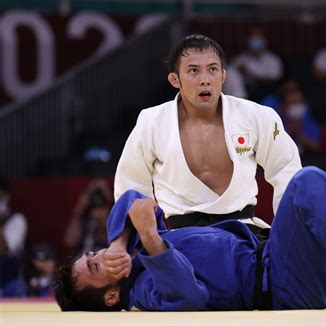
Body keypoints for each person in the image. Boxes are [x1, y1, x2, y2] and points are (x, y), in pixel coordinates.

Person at [53, 156, 326, 312]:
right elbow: (190, 298)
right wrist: (152, 241)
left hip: (282, 255)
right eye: (95, 266)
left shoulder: (134, 252)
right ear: (109, 296)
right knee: (307, 182)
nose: (100, 256)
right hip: (282, 283)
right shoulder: (143, 292)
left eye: (94, 254)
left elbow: (133, 201)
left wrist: (122, 240)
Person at [114, 34, 302, 230]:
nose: (205, 79)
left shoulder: (257, 116)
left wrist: (287, 231)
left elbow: (286, 170)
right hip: (181, 241)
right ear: (174, 80)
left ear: (223, 75)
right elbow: (131, 186)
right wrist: (144, 241)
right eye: (193, 71)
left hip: (244, 234)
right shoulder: (151, 122)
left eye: (212, 69)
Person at [230, 28, 284, 101]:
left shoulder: (273, 59)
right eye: (253, 37)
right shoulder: (240, 59)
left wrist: (250, 74)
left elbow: (274, 79)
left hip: (266, 93)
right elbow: (231, 76)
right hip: (245, 94)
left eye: (258, 37)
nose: (255, 40)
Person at [64, 178, 113, 256]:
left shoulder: (111, 222)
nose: (97, 211)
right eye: (94, 207)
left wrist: (110, 203)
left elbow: (113, 241)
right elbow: (70, 241)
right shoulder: (84, 220)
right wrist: (79, 209)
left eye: (101, 207)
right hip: (84, 260)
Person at [0, 177, 28, 297]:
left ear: (7, 196)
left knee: (18, 288)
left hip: (7, 284)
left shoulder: (17, 220)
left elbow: (4, 251)